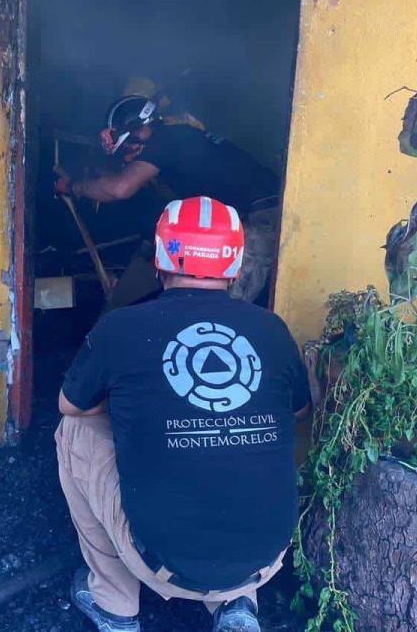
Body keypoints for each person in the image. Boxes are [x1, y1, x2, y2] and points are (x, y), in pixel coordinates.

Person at [55, 196, 311, 632]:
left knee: (73, 431)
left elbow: (70, 404)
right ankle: (236, 604)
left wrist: (137, 404)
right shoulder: (271, 328)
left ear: (161, 258)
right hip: (265, 560)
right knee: (249, 442)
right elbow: (299, 410)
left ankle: (114, 604)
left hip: (160, 563)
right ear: (234, 265)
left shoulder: (122, 326)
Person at [55, 96, 282, 302]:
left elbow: (120, 189)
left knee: (226, 305)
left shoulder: (165, 141)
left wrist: (74, 187)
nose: (128, 152)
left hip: (261, 218)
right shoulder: (176, 141)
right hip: (245, 217)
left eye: (128, 144)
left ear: (139, 128)